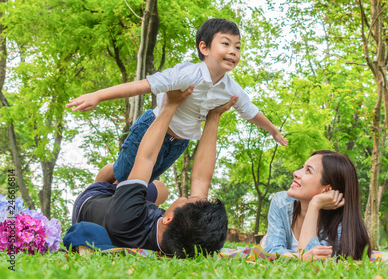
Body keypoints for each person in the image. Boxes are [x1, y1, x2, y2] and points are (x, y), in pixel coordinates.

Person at [66, 18, 287, 185]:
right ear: (204, 48)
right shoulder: (186, 74)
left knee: (142, 182)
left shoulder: (231, 90)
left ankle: (115, 204)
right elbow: (143, 86)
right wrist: (98, 96)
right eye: (226, 44)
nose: (233, 51)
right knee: (123, 173)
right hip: (152, 130)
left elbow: (251, 112)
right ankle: (94, 191)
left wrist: (273, 131)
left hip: (179, 143)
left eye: (237, 47)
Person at [72, 87, 235, 258]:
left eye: (188, 199)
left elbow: (146, 158)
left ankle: (115, 182)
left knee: (121, 172)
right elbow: (201, 179)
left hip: (92, 199)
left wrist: (170, 105)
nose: (191, 196)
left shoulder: (126, 218)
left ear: (168, 219)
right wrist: (214, 116)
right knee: (162, 189)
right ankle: (126, 187)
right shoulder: (179, 240)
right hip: (126, 209)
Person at [261, 150, 371, 260]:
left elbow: (311, 262)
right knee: (265, 242)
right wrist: (299, 257)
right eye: (303, 167)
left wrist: (314, 205)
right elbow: (272, 250)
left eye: (308, 170)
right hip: (274, 242)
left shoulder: (340, 226)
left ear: (327, 189)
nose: (296, 173)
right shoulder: (282, 201)